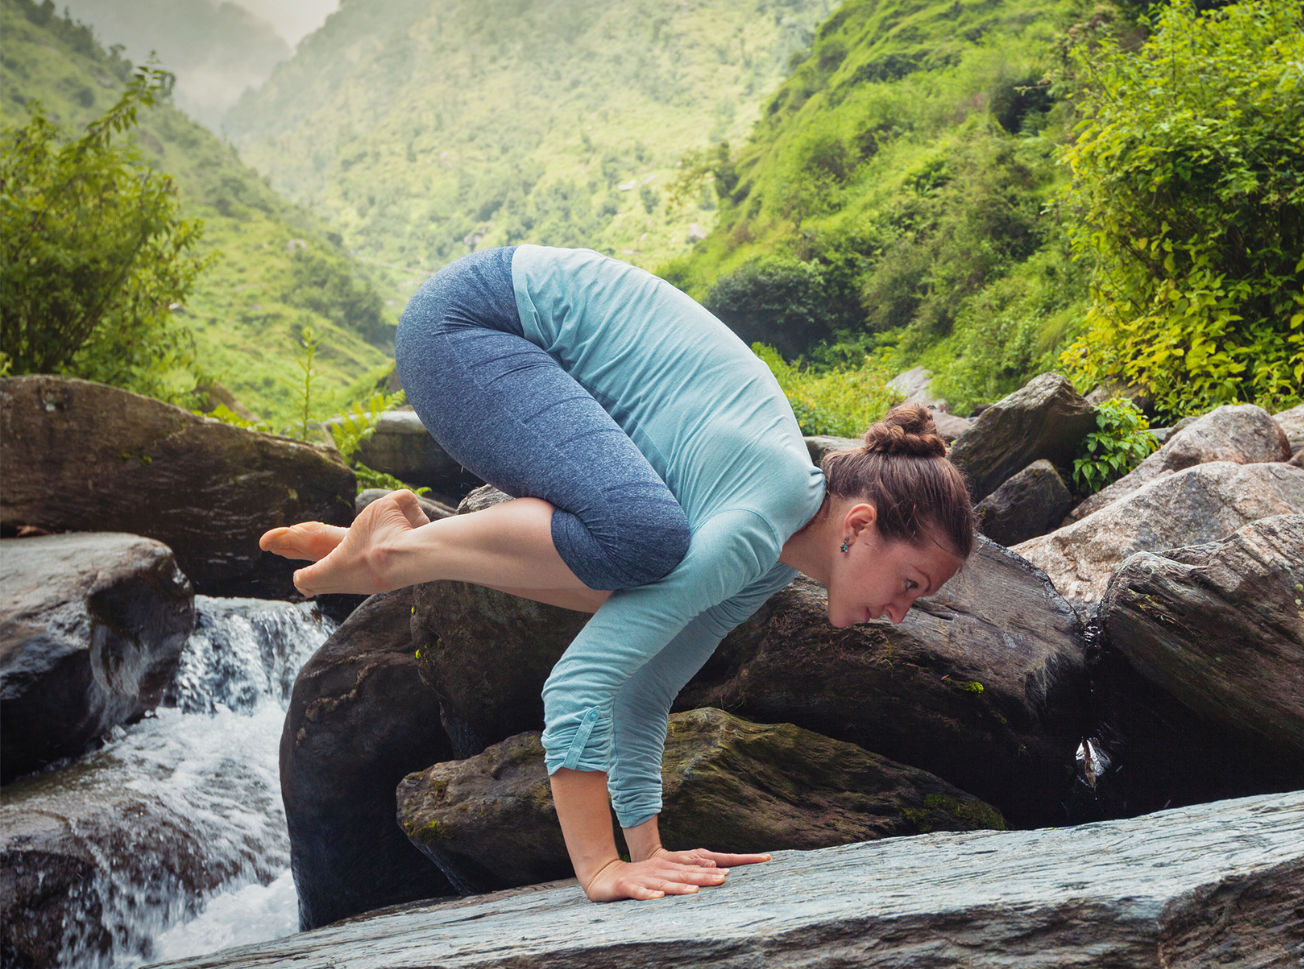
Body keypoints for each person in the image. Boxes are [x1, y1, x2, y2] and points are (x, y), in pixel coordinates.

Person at [259, 245, 975, 903]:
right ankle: (398, 555)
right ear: (859, 527)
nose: (902, 612)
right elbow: (578, 681)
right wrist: (600, 869)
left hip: (491, 340)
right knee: (643, 543)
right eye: (911, 583)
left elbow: (647, 684)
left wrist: (649, 848)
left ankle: (406, 545)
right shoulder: (762, 514)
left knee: (636, 568)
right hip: (470, 325)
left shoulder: (765, 554)